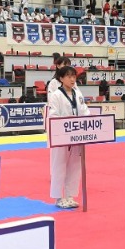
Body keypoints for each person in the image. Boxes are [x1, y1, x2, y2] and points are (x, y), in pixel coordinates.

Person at [47, 66, 88, 209]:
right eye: (68, 76)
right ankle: (58, 197)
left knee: (74, 167)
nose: (72, 79)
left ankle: (70, 196)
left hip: (76, 136)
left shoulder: (78, 94)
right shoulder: (56, 96)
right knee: (59, 166)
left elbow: (85, 112)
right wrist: (67, 120)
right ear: (61, 78)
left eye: (74, 76)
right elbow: (53, 115)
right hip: (61, 136)